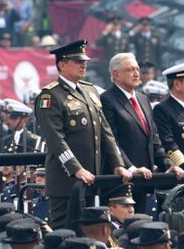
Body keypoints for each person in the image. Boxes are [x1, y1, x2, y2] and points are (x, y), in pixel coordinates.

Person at [33, 40, 131, 231]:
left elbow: (105, 132)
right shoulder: (51, 96)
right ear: (62, 64)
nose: (83, 64)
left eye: (84, 61)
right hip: (66, 181)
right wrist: (75, 168)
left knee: (90, 233)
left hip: (92, 178)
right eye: (77, 61)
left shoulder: (90, 90)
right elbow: (55, 140)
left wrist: (117, 163)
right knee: (66, 233)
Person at [100, 53, 184, 210]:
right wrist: (131, 168)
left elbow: (154, 139)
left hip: (145, 181)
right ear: (116, 74)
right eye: (130, 69)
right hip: (122, 181)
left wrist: (167, 165)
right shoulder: (107, 99)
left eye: (137, 69)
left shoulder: (143, 99)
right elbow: (111, 141)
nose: (137, 73)